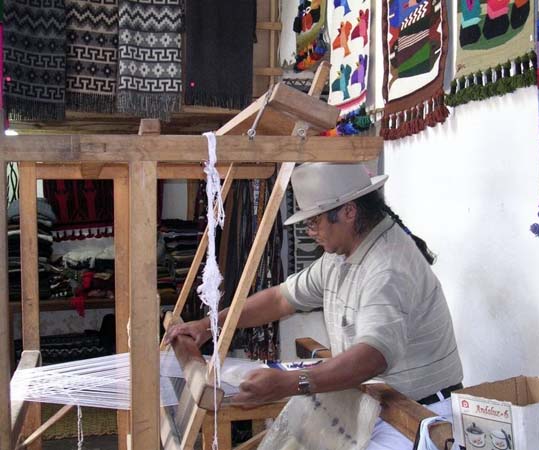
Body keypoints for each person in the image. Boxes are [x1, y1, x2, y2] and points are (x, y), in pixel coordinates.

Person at [166, 162, 463, 446]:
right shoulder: (339, 256)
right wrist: (210, 325)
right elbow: (281, 299)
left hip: (417, 414)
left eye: (314, 222)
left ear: (348, 212)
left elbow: (373, 356)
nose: (310, 232)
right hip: (375, 401)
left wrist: (288, 383)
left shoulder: (387, 267)